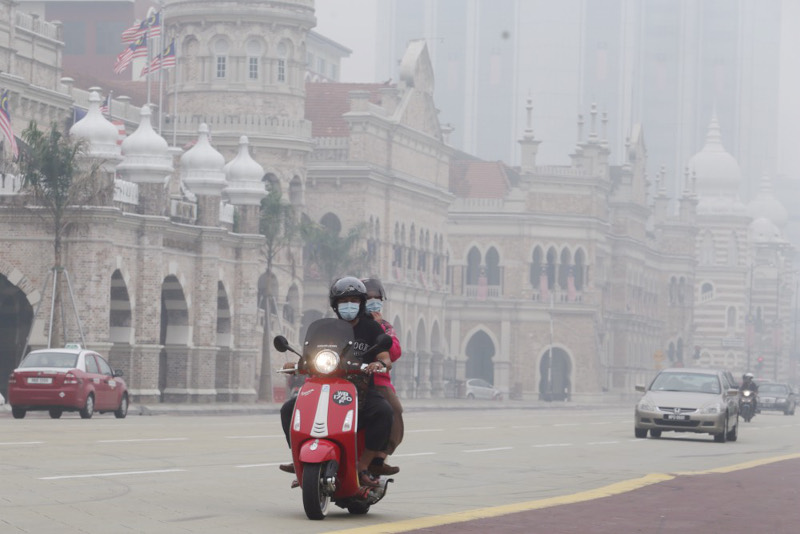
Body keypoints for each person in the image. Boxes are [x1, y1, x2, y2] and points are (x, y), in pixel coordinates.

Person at [279, 276, 394, 488]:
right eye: (343, 301)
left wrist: (380, 363)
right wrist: (295, 365)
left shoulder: (371, 329)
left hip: (359, 388)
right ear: (335, 305)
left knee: (384, 411)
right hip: (322, 384)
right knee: (288, 409)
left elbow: (385, 356)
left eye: (353, 300)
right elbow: (309, 355)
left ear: (360, 304)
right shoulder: (325, 328)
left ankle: (364, 465)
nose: (348, 305)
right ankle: (298, 460)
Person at [362, 277, 403, 477]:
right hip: (344, 379)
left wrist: (379, 328)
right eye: (369, 298)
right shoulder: (346, 324)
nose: (373, 302)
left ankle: (379, 457)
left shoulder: (385, 326)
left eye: (377, 299)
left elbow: (394, 352)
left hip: (376, 382)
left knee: (394, 409)